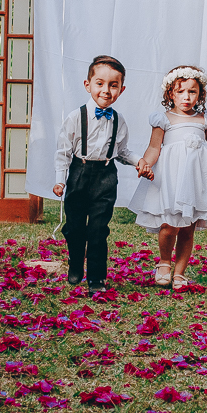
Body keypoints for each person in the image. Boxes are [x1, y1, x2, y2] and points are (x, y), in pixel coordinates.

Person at [130, 65, 207, 291]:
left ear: (200, 94)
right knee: (169, 225)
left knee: (187, 227)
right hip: (171, 178)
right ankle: (164, 263)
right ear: (170, 94)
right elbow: (154, 148)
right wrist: (145, 163)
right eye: (181, 91)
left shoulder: (205, 118)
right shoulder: (163, 119)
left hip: (195, 179)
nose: (186, 96)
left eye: (192, 92)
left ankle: (180, 273)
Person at [51, 55, 151, 292]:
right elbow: (63, 152)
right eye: (100, 83)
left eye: (113, 85)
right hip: (78, 174)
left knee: (98, 230)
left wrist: (140, 162)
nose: (106, 90)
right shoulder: (75, 117)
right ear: (88, 85)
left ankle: (96, 278)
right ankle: (75, 263)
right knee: (75, 228)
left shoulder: (118, 120)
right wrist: (59, 181)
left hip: (105, 177)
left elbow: (122, 150)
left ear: (121, 89)